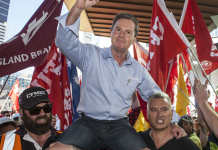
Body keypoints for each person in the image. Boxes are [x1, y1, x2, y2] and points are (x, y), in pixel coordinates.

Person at [51, 0, 162, 149]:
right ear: (111, 32)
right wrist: (78, 8)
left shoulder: (138, 70)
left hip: (119, 126)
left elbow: (157, 97)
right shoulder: (91, 55)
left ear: (134, 38)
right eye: (118, 29)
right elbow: (64, 42)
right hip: (87, 123)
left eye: (128, 32)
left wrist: (174, 123)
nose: (122, 35)